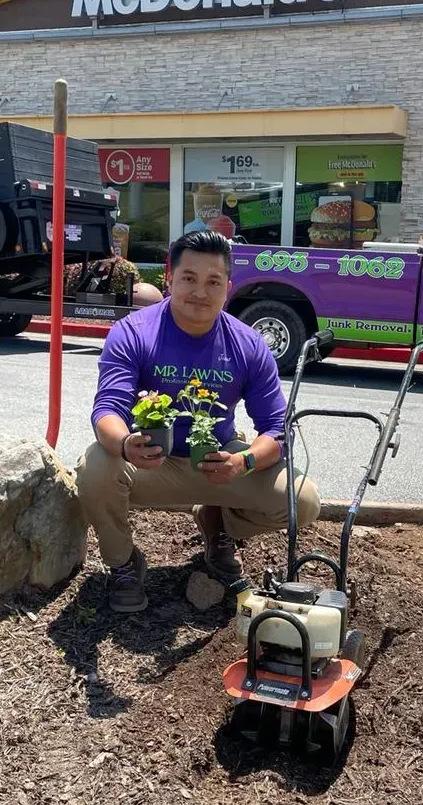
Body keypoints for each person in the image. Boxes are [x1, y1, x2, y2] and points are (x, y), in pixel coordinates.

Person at [75, 230, 321, 613]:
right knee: (94, 468)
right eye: (189, 278)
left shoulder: (248, 344)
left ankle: (219, 525)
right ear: (169, 279)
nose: (200, 292)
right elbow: (107, 409)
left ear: (228, 287)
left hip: (219, 463)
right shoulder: (134, 332)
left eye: (213, 282)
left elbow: (277, 428)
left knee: (302, 500)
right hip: (153, 464)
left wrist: (244, 461)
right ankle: (124, 563)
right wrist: (125, 445)